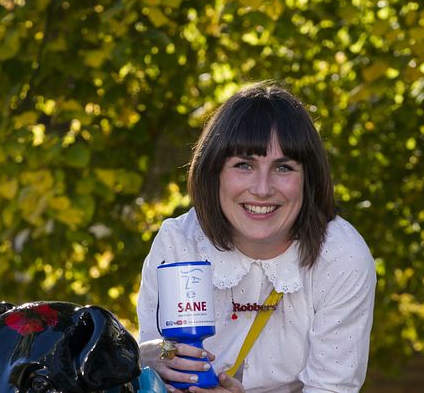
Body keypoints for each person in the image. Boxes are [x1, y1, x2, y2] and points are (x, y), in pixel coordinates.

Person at [137, 82, 376, 393]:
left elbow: (332, 388)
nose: (262, 189)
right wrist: (144, 358)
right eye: (244, 165)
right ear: (214, 172)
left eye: (283, 167)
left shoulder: (342, 257)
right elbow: (151, 366)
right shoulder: (178, 243)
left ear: (309, 178)